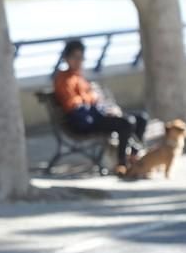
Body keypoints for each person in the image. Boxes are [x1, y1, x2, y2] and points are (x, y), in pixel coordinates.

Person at [53, 39, 148, 176]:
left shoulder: (78, 77)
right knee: (126, 123)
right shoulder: (64, 79)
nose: (79, 61)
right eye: (75, 57)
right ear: (66, 58)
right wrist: (91, 98)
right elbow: (72, 104)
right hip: (83, 122)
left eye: (81, 58)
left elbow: (92, 98)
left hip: (94, 116)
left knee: (141, 119)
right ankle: (122, 163)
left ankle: (133, 156)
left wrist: (99, 104)